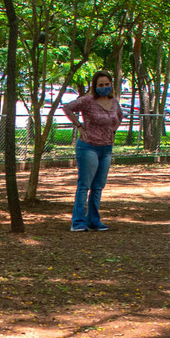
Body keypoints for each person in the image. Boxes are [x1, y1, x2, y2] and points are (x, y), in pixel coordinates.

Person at [62, 70, 123, 231]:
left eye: (107, 84)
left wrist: (113, 131)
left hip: (106, 148)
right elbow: (67, 108)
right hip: (88, 146)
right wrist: (79, 126)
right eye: (100, 85)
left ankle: (94, 220)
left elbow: (120, 116)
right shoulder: (88, 100)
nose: (104, 87)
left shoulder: (114, 102)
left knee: (98, 186)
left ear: (111, 85)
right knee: (85, 185)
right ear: (95, 86)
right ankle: (78, 222)